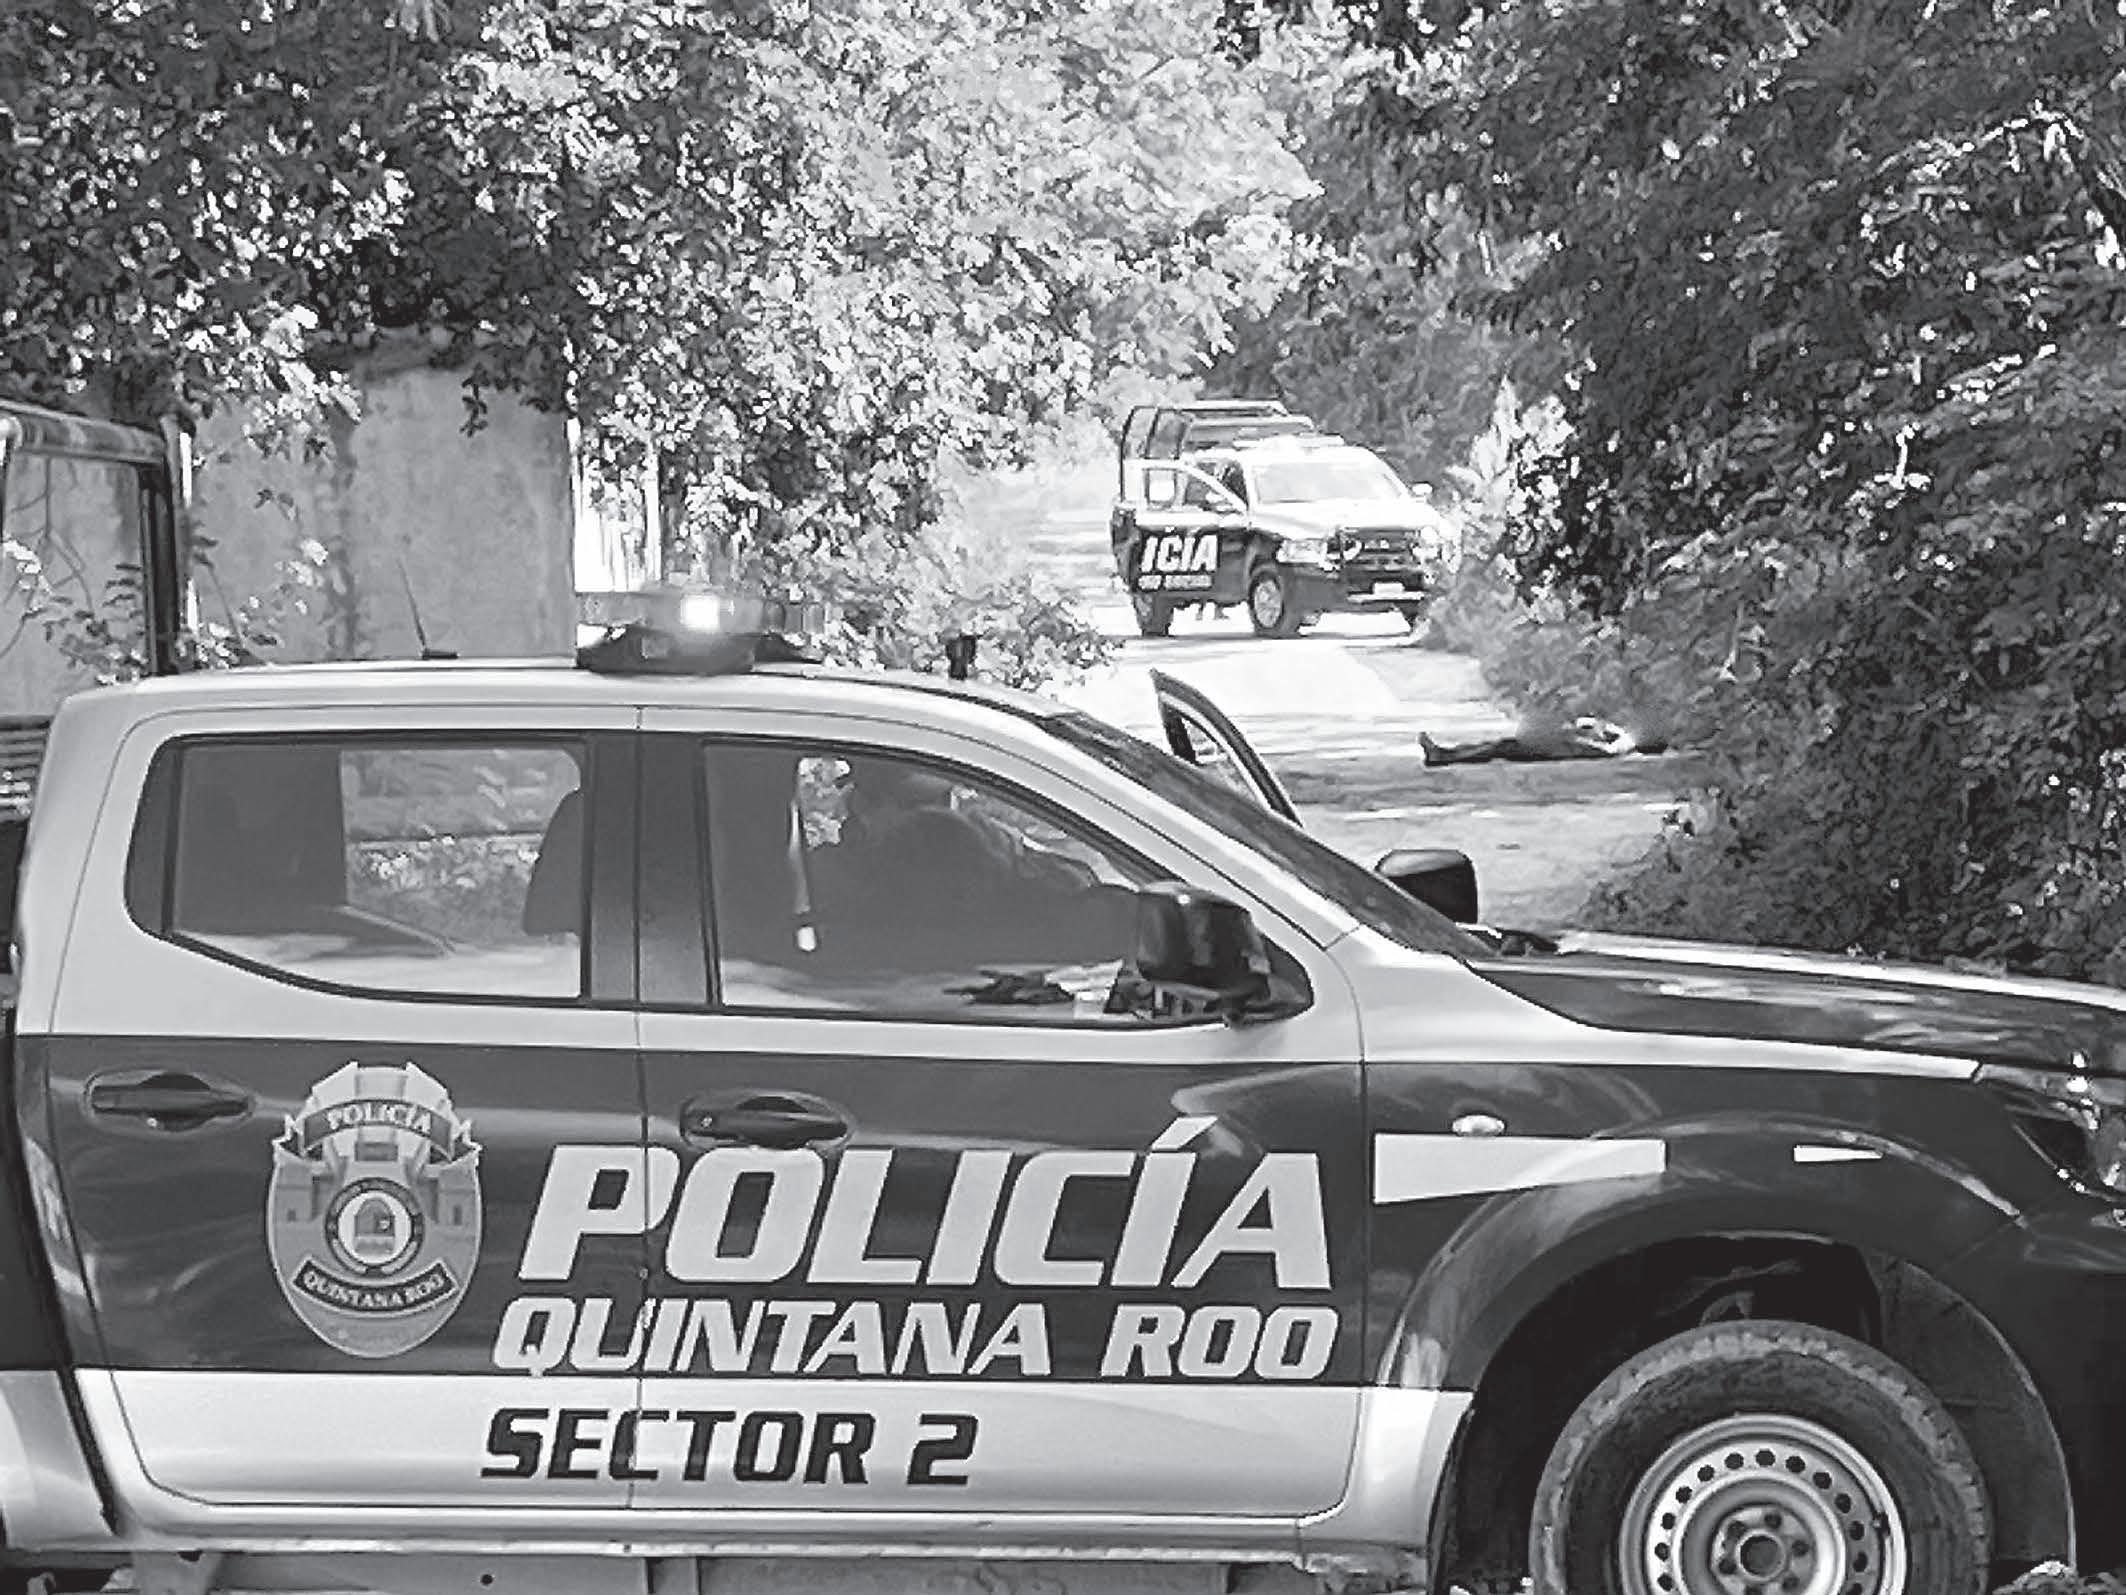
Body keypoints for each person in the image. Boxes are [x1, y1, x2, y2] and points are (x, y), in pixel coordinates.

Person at [1418, 715, 1670, 767]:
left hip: (1550, 750)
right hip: (1552, 746)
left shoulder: (1622, 747)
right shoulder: (1622, 739)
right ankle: (1446, 754)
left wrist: (1574, 736)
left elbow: (1596, 749)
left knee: (1499, 748)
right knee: (1499, 746)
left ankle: (1444, 756)